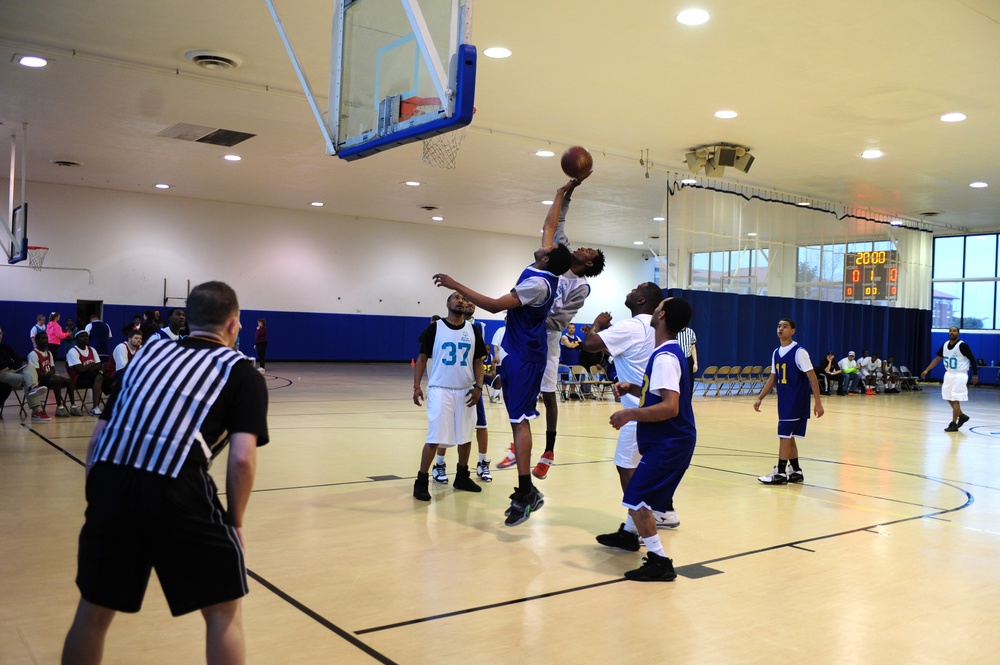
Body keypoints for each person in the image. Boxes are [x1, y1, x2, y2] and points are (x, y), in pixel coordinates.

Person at [61, 281, 268, 665]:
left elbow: (99, 438)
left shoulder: (149, 353)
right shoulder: (242, 372)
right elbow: (241, 459)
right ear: (234, 324)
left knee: (92, 611)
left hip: (109, 478)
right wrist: (235, 522)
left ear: (187, 320)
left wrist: (101, 498)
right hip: (175, 484)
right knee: (223, 610)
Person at [432, 230, 573, 526]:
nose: (544, 241)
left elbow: (495, 306)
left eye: (547, 245)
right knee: (514, 421)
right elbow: (550, 226)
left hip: (525, 358)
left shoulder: (537, 283)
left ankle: (526, 492)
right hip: (514, 352)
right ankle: (525, 489)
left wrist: (454, 284)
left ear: (546, 257)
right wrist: (563, 193)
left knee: (519, 421)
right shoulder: (540, 268)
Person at [502, 177, 604, 480]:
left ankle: (548, 449)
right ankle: (517, 439)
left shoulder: (580, 287)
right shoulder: (558, 255)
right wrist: (564, 193)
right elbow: (554, 221)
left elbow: (559, 320)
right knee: (512, 383)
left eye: (591, 252)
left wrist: (529, 313)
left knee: (547, 393)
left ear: (588, 264)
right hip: (521, 327)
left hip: (544, 336)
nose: (585, 247)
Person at [606, 297, 696, 582]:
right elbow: (656, 393)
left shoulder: (667, 357)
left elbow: (670, 406)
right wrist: (632, 386)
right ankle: (641, 543)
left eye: (658, 307)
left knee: (635, 499)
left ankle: (659, 561)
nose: (654, 310)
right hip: (669, 442)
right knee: (641, 500)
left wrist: (629, 414)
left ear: (662, 315)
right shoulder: (665, 353)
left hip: (670, 442)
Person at [583, 283, 668, 551]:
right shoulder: (654, 329)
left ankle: (647, 538)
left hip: (637, 413)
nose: (629, 291)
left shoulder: (632, 326)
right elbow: (620, 352)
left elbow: (590, 345)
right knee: (640, 470)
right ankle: (632, 529)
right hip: (655, 409)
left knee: (628, 471)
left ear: (641, 299)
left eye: (634, 289)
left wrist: (597, 325)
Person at [412, 291, 486, 500]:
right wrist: (416, 386)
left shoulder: (473, 330)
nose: (460, 300)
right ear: (447, 303)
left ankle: (462, 476)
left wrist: (478, 387)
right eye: (456, 297)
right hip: (440, 389)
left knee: (465, 436)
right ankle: (421, 481)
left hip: (465, 390)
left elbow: (478, 362)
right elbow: (422, 358)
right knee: (434, 438)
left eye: (463, 299)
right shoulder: (435, 328)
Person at [754, 318, 825, 485]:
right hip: (785, 401)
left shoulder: (799, 352)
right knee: (789, 435)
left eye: (785, 326)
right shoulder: (776, 352)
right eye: (779, 326)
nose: (781, 329)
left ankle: (779, 473)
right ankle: (796, 471)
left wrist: (818, 402)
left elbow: (812, 378)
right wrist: (760, 397)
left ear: (793, 331)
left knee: (784, 436)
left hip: (795, 401)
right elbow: (773, 378)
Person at [920, 326, 979, 431]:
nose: (952, 332)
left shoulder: (963, 345)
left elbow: (973, 360)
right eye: (950, 331)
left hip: (960, 375)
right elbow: (937, 358)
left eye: (954, 331)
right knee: (947, 396)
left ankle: (953, 423)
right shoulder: (945, 345)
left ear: (958, 333)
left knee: (956, 399)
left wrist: (975, 375)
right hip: (949, 374)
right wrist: (927, 370)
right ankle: (962, 416)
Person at [0, 327, 50, 420]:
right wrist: (10, 361)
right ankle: (36, 411)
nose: (0, 335)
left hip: (13, 371)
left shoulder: (5, 347)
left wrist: (8, 363)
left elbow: (18, 360)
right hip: (2, 375)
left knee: (30, 367)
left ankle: (33, 387)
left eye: (1, 333)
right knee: (27, 379)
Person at [29, 332, 77, 417]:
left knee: (68, 380)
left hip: (49, 377)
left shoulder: (49, 353)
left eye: (46, 338)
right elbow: (37, 372)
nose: (45, 340)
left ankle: (73, 406)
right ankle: (59, 407)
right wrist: (49, 375)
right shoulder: (33, 354)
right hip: (39, 380)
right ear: (37, 341)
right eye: (43, 338)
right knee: (57, 380)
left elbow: (53, 368)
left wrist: (51, 373)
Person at [66, 330, 105, 416]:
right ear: (76, 340)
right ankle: (95, 407)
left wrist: (87, 367)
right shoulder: (73, 351)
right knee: (99, 377)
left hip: (91, 376)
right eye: (82, 336)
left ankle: (113, 405)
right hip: (78, 378)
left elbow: (99, 365)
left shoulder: (92, 349)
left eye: (86, 336)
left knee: (110, 379)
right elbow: (80, 370)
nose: (85, 338)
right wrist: (92, 363)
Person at [676, 325, 699, 395]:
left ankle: (688, 400)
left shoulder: (690, 332)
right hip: (677, 360)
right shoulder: (674, 332)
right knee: (677, 381)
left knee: (689, 382)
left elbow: (693, 348)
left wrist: (695, 363)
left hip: (688, 359)